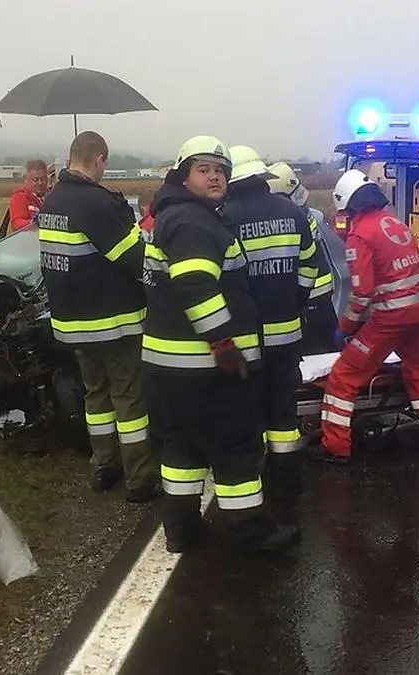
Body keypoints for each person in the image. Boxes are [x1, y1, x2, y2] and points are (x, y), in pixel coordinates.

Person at [143, 135, 299, 553]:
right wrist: (223, 343)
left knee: (182, 448)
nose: (214, 176)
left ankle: (181, 529)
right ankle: (251, 531)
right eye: (203, 168)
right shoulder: (195, 222)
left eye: (220, 169)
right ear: (184, 174)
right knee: (236, 446)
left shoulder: (176, 215)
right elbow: (195, 285)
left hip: (170, 366)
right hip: (205, 368)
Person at [36, 132, 155, 502]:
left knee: (96, 398)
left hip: (72, 325)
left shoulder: (52, 200)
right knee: (129, 401)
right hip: (113, 322)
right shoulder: (98, 204)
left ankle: (104, 467)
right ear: (99, 159)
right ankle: (139, 480)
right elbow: (135, 259)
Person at [318, 170, 419, 464]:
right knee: (418, 371)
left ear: (349, 204)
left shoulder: (360, 234)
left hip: (391, 318)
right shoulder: (392, 222)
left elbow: (362, 294)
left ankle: (336, 448)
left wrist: (345, 327)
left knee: (343, 377)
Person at [220, 146, 321, 524]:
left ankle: (255, 480)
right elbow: (311, 267)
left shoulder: (225, 217)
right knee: (283, 411)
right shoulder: (293, 212)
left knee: (249, 411)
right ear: (261, 178)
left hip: (247, 338)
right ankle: (288, 480)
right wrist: (295, 301)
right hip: (288, 333)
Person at [267, 161, 337, 355]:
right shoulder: (307, 216)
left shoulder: (291, 220)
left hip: (307, 299)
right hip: (319, 296)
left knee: (314, 355)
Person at [7, 160, 49, 232]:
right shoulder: (20, 198)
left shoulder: (52, 196)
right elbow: (16, 223)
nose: (40, 183)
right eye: (36, 180)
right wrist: (34, 223)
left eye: (43, 179)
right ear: (26, 180)